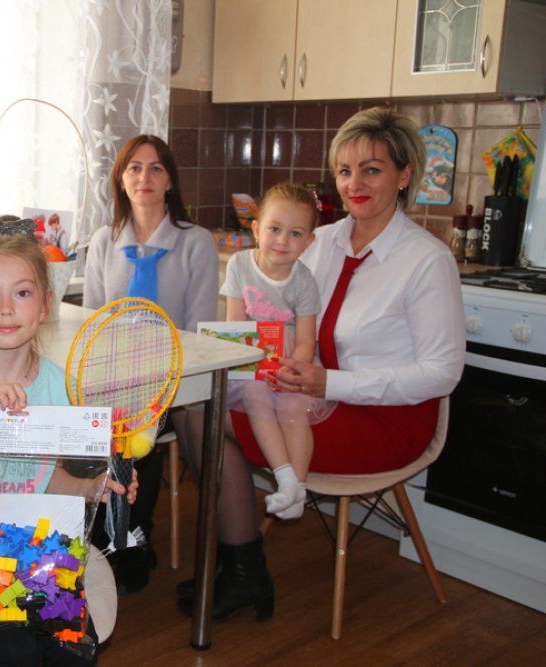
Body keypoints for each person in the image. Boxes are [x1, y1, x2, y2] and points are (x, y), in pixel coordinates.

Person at [176, 107, 465, 621]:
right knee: (197, 407)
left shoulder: (426, 260)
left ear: (403, 176)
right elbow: (278, 306)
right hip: (309, 392)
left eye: (372, 170)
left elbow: (442, 373)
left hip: (385, 418)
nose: (355, 184)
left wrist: (331, 382)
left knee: (202, 415)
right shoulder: (320, 240)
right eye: (345, 170)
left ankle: (243, 571)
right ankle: (242, 565)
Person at [0, 217, 137, 666]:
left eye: (23, 293)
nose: (6, 309)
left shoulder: (61, 387)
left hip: (34, 545)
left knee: (73, 648)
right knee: (18, 652)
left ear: (46, 304)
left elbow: (47, 482)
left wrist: (93, 488)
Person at [83, 134, 219, 594]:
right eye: (135, 168)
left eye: (156, 168)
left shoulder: (195, 242)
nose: (145, 177)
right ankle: (102, 536)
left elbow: (198, 331)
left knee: (137, 432)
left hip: (172, 376)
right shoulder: (104, 241)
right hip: (113, 375)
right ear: (121, 181)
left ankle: (132, 541)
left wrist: (150, 381)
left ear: (170, 181)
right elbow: (92, 322)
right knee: (91, 422)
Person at [220, 182, 328, 520]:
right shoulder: (239, 264)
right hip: (252, 359)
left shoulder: (304, 281)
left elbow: (308, 340)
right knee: (255, 395)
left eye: (295, 233)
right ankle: (285, 479)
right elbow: (235, 326)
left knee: (294, 406)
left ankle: (298, 489)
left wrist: (293, 367)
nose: (282, 240)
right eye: (274, 229)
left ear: (309, 241)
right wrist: (252, 364)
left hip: (292, 360)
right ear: (256, 229)